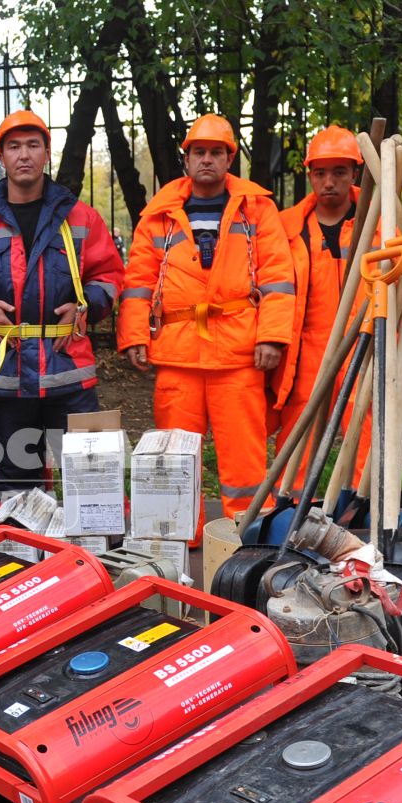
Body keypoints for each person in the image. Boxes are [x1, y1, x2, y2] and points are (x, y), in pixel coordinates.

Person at [0, 110, 123, 490]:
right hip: (4, 371)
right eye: (14, 147)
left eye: (33, 145)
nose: (24, 155)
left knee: (90, 471)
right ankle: (19, 546)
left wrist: (86, 303)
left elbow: (110, 275)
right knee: (14, 475)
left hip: (67, 368)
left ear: (47, 153)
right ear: (1, 157)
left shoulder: (80, 217)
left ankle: (88, 546)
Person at [119, 114, 296, 519]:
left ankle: (248, 536)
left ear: (229, 159)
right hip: (179, 354)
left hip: (238, 353)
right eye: (199, 151)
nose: (207, 160)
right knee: (175, 457)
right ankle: (181, 537)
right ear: (186, 158)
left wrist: (271, 337)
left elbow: (277, 278)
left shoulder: (257, 209)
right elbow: (139, 281)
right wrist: (133, 336)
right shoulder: (159, 213)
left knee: (244, 456)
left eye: (216, 152)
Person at [273, 126, 364, 448]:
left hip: (364, 349)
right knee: (298, 438)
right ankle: (293, 499)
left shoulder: (380, 226)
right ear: (310, 173)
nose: (329, 182)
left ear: (355, 171)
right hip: (306, 350)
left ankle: (363, 500)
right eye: (320, 173)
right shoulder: (286, 228)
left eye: (340, 172)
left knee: (365, 436)